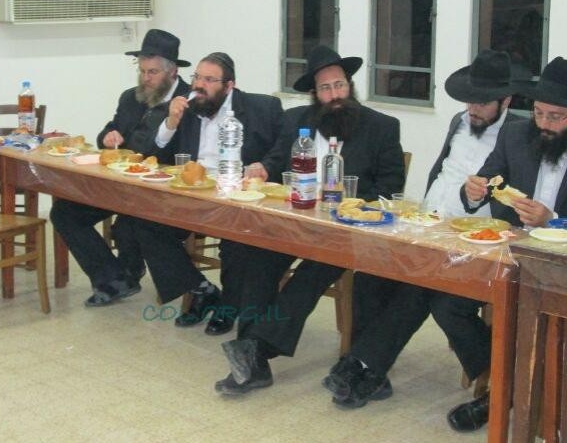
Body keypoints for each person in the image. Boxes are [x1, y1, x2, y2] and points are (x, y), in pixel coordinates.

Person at [323, 50, 525, 413]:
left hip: (475, 240)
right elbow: (443, 174)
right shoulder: (460, 122)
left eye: (482, 103)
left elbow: (511, 204)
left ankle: (362, 366)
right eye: (469, 101)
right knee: (371, 272)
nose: (473, 109)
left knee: (419, 287)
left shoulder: (518, 135)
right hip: (429, 225)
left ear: (506, 100)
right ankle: (371, 371)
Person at [215, 44, 405, 395]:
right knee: (255, 254)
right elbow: (276, 161)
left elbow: (390, 189)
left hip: (345, 231)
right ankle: (252, 356)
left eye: (340, 85)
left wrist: (352, 207)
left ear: (350, 86)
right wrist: (263, 168)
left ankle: (255, 350)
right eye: (326, 88)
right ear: (315, 94)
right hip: (294, 221)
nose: (335, 95)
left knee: (314, 269)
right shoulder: (296, 121)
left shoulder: (382, 127)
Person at [441, 56, 567, 431]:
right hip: (510, 252)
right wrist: (473, 191)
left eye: (555, 117)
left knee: (541, 317)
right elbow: (485, 181)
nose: (544, 124)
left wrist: (552, 220)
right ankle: (505, 382)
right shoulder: (515, 135)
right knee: (447, 301)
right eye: (539, 113)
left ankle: (505, 396)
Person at [128, 52, 284, 335]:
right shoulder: (187, 106)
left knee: (236, 243)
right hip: (193, 195)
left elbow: (282, 150)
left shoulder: (262, 108)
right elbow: (150, 153)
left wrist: (265, 166)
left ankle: (229, 307)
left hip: (235, 197)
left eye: (209, 80)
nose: (199, 85)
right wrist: (170, 123)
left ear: (229, 85)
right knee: (145, 222)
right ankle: (201, 289)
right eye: (197, 77)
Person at [49, 29, 191, 306]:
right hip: (118, 183)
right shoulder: (131, 97)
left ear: (172, 71)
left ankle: (127, 272)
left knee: (129, 223)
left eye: (152, 72)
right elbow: (109, 129)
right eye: (142, 71)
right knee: (64, 212)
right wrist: (108, 137)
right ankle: (113, 277)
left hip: (157, 188)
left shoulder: (188, 102)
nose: (146, 78)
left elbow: (185, 152)